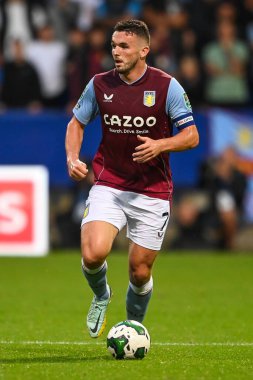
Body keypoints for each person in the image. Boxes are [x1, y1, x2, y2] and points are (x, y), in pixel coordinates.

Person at [65, 19, 199, 338]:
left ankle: (132, 327)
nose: (116, 51)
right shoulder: (99, 84)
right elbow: (76, 123)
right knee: (93, 252)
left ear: (144, 50)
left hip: (152, 191)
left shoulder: (167, 87)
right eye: (113, 45)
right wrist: (72, 157)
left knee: (139, 271)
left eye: (123, 46)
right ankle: (101, 296)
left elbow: (192, 135)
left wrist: (161, 144)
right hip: (109, 182)